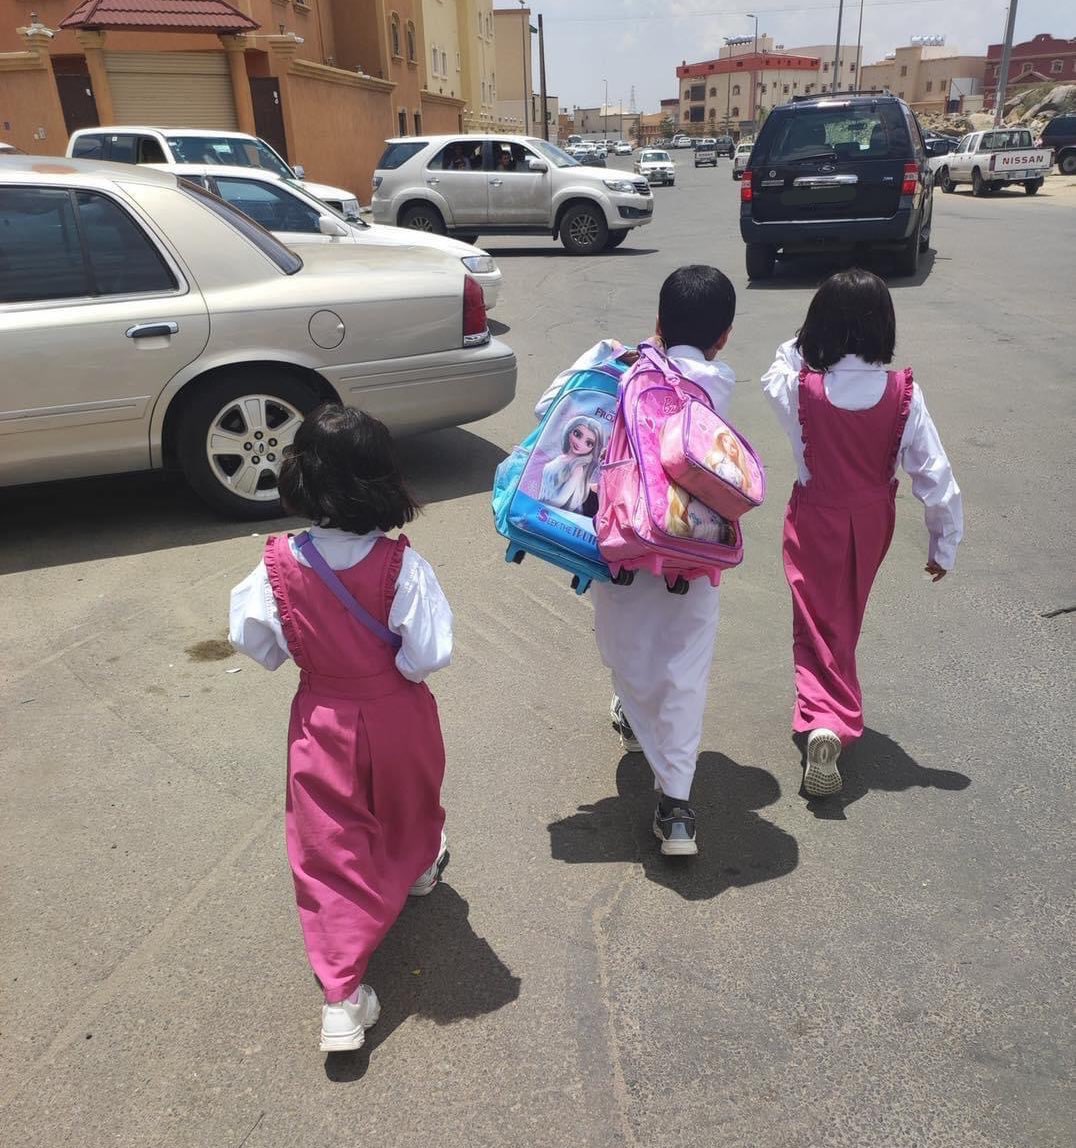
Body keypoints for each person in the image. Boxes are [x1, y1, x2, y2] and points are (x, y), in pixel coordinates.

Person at [229, 404, 453, 1052]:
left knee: (328, 847)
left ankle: (343, 998)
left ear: (298, 477)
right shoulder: (401, 566)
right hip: (397, 713)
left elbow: (256, 642)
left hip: (322, 717)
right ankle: (415, 868)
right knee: (408, 804)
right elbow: (427, 653)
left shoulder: (277, 565)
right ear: (385, 480)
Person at [535, 266, 738, 856]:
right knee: (685, 674)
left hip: (621, 546)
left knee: (627, 655)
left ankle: (633, 712)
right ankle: (675, 807)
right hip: (692, 555)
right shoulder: (717, 382)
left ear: (656, 319)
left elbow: (553, 409)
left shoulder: (621, 367)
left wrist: (611, 360)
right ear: (723, 336)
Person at [761, 268, 963, 798]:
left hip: (814, 515)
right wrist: (944, 543)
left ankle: (824, 719)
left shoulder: (799, 389)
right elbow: (935, 476)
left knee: (813, 619)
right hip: (871, 519)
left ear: (818, 326)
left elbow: (776, 369)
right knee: (844, 614)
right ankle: (832, 710)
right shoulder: (903, 392)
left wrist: (805, 340)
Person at [538, 414, 606, 516]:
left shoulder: (577, 469)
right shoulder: (561, 458)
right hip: (542, 509)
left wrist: (537, 506)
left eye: (589, 443)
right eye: (577, 434)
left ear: (593, 448)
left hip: (548, 513)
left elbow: (560, 500)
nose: (580, 443)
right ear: (569, 431)